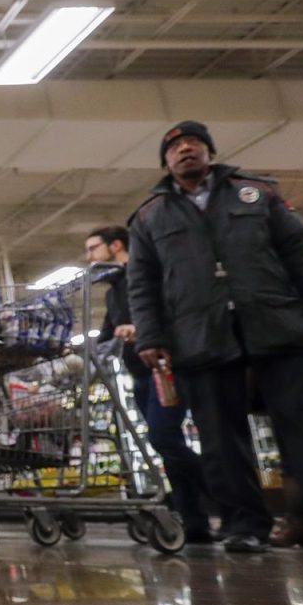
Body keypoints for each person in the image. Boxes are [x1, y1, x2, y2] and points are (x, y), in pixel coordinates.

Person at [127, 120, 303, 554]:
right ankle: (244, 525)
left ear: (210, 152)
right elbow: (143, 283)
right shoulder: (150, 216)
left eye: (194, 143)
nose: (186, 149)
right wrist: (151, 337)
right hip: (200, 339)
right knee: (219, 438)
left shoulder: (259, 194)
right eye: (175, 147)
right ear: (165, 162)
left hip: (278, 328)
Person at [85, 226, 213, 543]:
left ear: (116, 245)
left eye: (93, 248)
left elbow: (166, 312)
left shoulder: (144, 277)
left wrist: (139, 328)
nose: (89, 257)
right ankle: (195, 523)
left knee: (163, 435)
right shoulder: (114, 290)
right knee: (165, 447)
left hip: (164, 368)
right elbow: (106, 333)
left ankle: (221, 487)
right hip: (140, 375)